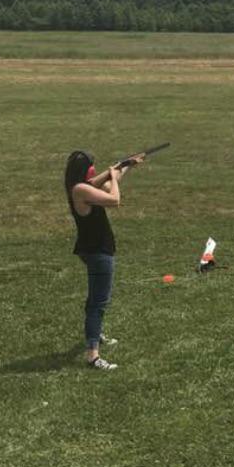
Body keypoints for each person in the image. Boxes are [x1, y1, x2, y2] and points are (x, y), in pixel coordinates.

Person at [63, 149, 144, 370]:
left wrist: (126, 165)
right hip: (97, 251)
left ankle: (95, 334)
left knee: (96, 299)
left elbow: (106, 178)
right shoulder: (80, 190)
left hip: (94, 249)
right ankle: (93, 355)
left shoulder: (81, 186)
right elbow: (114, 199)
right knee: (98, 302)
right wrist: (113, 176)